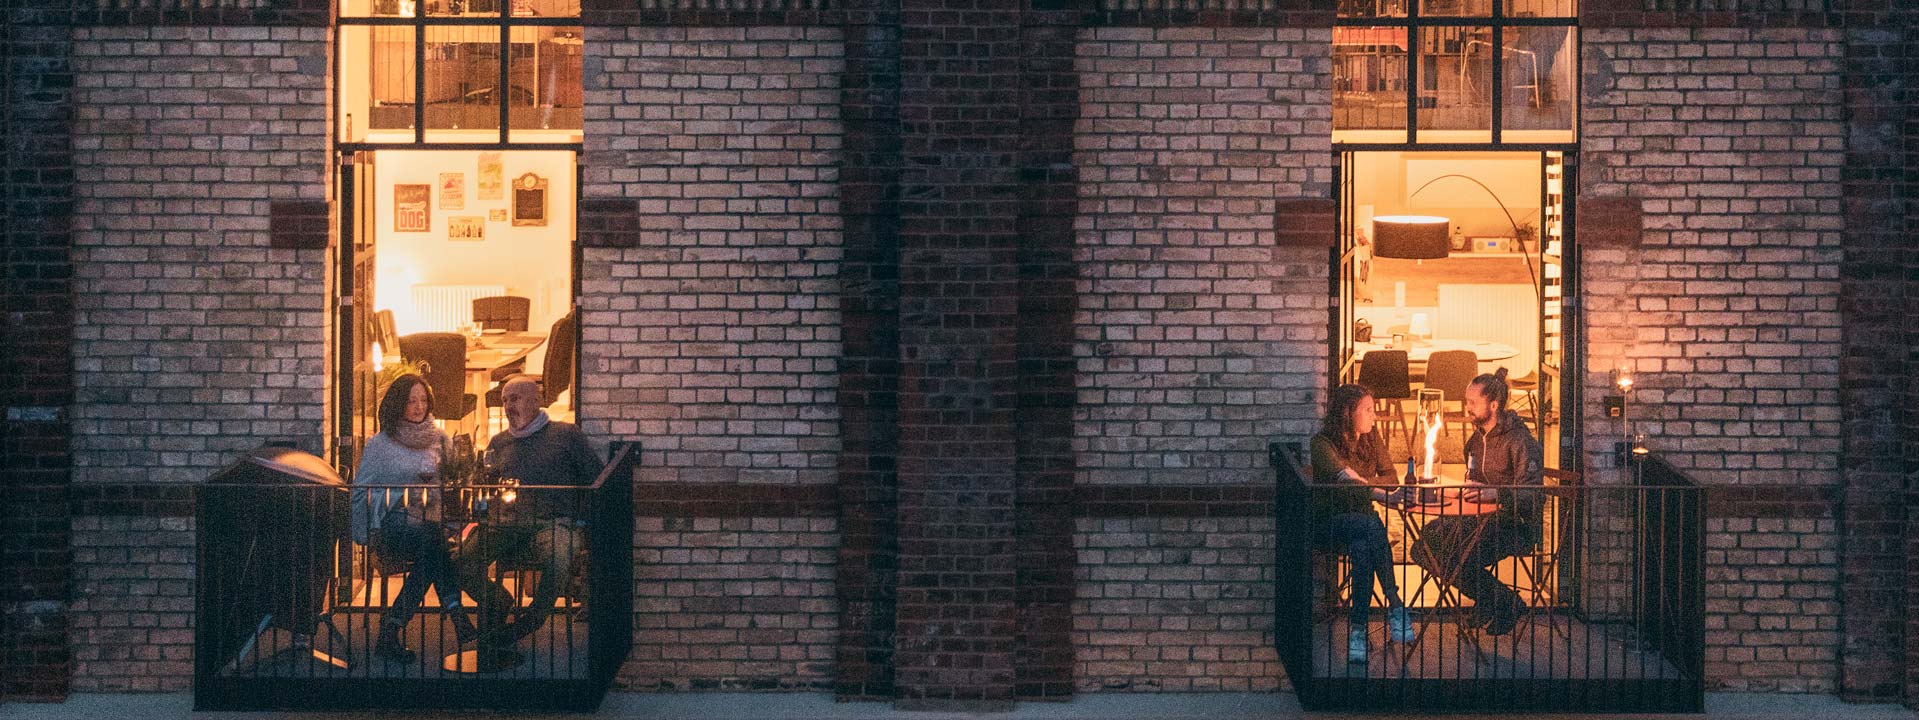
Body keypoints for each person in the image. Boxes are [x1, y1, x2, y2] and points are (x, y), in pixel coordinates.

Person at [458, 375, 603, 663]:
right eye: (504, 400)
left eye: (516, 398)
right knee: (462, 559)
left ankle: (532, 620)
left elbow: (596, 478)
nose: (509, 405)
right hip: (507, 523)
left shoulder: (566, 435)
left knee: (558, 554)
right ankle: (499, 600)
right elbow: (485, 485)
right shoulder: (498, 443)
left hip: (555, 522)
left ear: (536, 400)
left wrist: (582, 520)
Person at [350, 374, 476, 663]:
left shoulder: (441, 438)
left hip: (433, 525)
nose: (419, 407)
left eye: (423, 400)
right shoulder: (380, 445)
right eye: (411, 401)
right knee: (435, 546)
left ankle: (390, 631)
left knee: (432, 549)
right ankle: (458, 618)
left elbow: (457, 479)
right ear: (398, 405)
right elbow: (360, 490)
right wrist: (361, 533)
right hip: (394, 524)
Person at [1410, 367, 1545, 636]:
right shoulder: (1476, 440)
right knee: (1424, 545)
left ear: (1493, 405)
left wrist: (1497, 493)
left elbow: (1533, 495)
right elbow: (1473, 480)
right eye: (1466, 401)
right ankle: (1493, 600)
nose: (1467, 407)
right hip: (1476, 520)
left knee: (1457, 553)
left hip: (1513, 525)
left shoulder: (1520, 441)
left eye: (1473, 402)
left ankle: (1504, 603)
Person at [1310, 383, 1416, 664]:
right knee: (1370, 527)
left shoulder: (1371, 437)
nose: (1374, 416)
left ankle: (1358, 630)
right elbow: (1346, 485)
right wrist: (1381, 494)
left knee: (1363, 548)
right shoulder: (1322, 444)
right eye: (1368, 410)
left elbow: (1391, 475)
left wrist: (1365, 484)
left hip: (1363, 525)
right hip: (1330, 522)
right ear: (1348, 413)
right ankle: (1394, 603)